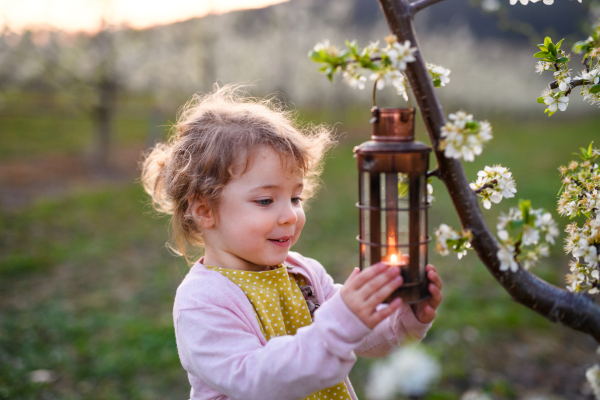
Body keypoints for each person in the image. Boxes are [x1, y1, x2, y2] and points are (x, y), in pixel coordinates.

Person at [141, 84, 443, 400]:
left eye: (295, 197)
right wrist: (342, 320)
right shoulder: (203, 300)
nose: (290, 215)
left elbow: (357, 336)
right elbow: (257, 380)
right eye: (265, 200)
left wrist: (402, 316)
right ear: (204, 210)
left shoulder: (304, 273)